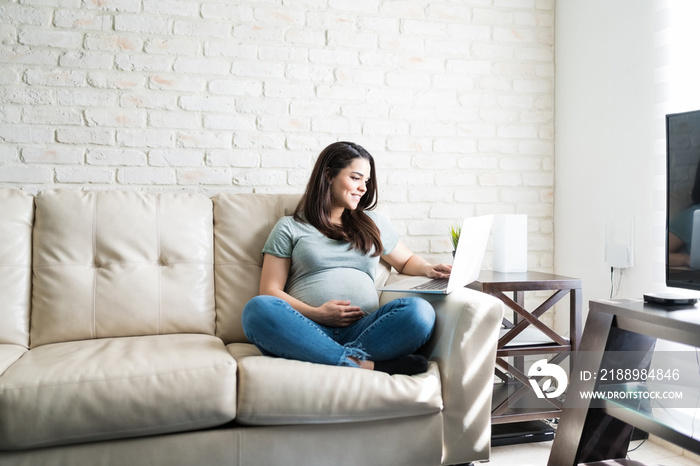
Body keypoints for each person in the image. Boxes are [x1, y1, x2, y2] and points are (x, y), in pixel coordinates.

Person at [242, 141, 452, 375]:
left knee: (419, 312)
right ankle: (366, 365)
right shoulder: (290, 227)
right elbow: (270, 290)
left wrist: (428, 269)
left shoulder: (373, 224)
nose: (363, 188)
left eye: (366, 181)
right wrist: (317, 313)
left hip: (365, 330)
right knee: (258, 309)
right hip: (307, 327)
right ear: (329, 175)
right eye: (356, 178)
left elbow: (404, 261)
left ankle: (325, 356)